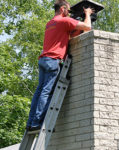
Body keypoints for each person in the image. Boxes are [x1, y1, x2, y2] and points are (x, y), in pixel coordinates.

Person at [26, 0, 93, 131]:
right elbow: (87, 27)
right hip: (53, 61)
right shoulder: (65, 21)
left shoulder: (50, 23)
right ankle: (37, 122)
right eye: (68, 10)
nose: (69, 13)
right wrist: (88, 14)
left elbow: (66, 37)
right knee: (47, 91)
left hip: (44, 59)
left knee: (39, 91)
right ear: (62, 9)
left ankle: (31, 122)